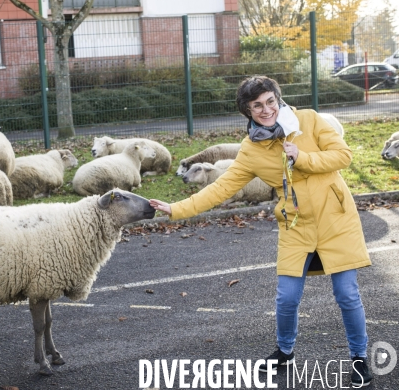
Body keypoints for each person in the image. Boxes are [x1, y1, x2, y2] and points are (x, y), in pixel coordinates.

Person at [149, 76, 373, 387]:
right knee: (287, 298)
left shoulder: (309, 119)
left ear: (278, 99)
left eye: (270, 101)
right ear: (247, 111)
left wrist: (302, 157)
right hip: (296, 225)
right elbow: (221, 188)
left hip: (336, 219)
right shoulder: (251, 149)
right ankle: (285, 351)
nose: (266, 109)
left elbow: (343, 156)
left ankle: (360, 358)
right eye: (257, 106)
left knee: (347, 294)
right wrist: (176, 208)